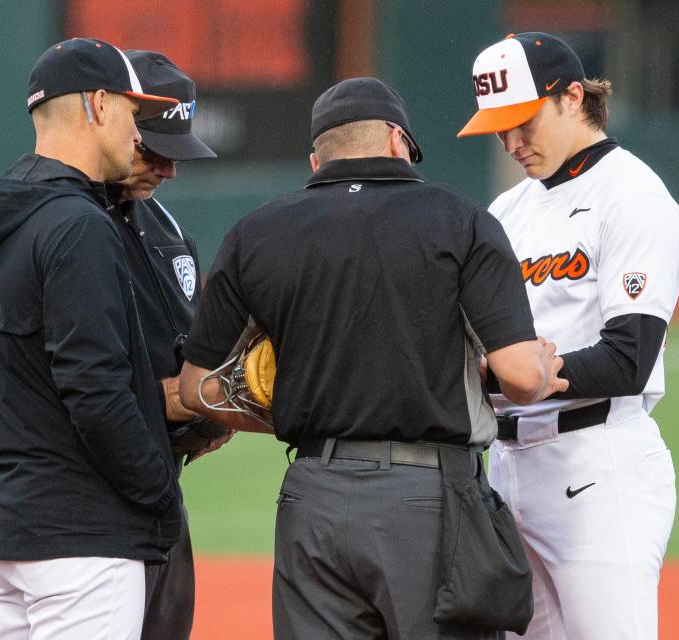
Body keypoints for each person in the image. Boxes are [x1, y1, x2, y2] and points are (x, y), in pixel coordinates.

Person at [178, 77, 567, 639]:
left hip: (312, 496)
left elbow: (197, 390)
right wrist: (547, 370)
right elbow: (521, 377)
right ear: (395, 140)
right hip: (426, 500)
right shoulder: (461, 220)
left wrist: (286, 413)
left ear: (317, 157)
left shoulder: (255, 233)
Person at [0, 38, 184, 640]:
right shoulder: (80, 225)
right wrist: (158, 492)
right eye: (133, 113)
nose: (138, 135)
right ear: (99, 106)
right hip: (82, 543)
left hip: (1, 531)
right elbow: (96, 392)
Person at [457, 32, 679, 640]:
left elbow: (629, 358)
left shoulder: (633, 197)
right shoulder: (508, 211)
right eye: (499, 128)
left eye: (523, 121)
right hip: (506, 468)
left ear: (571, 97)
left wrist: (497, 378)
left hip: (596, 468)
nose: (511, 142)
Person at [114, 50, 232, 640]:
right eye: (154, 150)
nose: (169, 169)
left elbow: (190, 347)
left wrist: (207, 412)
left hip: (161, 488)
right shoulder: (58, 227)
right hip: (90, 505)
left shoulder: (166, 228)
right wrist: (158, 398)